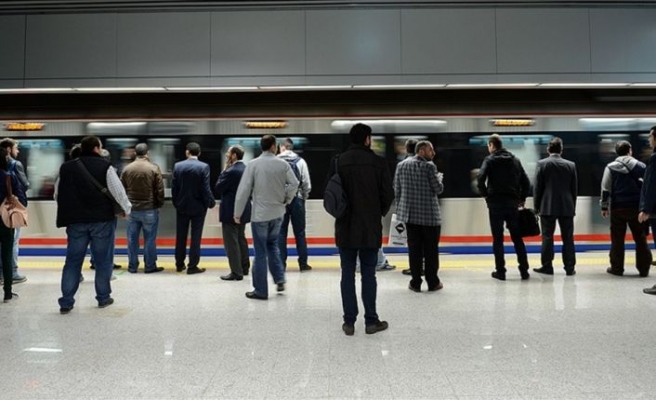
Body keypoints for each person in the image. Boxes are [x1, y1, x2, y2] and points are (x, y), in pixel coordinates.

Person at [56, 136, 131, 314]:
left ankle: (66, 302)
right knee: (103, 260)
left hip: (75, 221)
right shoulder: (105, 167)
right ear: (97, 148)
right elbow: (118, 192)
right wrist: (126, 210)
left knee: (72, 262)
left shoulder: (66, 167)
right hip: (101, 221)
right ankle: (103, 298)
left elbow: (58, 193)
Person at [332, 123, 394, 336]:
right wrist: (376, 212)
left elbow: (331, 193)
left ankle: (349, 322)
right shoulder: (378, 162)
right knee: (369, 274)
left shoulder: (339, 162)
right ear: (367, 139)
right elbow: (388, 194)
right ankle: (371, 321)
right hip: (369, 227)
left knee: (347, 274)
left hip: (345, 227)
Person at [235, 135, 298, 299]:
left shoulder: (253, 165)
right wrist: (286, 199)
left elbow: (243, 191)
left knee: (261, 252)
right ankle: (279, 279)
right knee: (273, 247)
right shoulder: (283, 164)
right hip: (278, 214)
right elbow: (295, 184)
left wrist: (237, 213)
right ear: (273, 147)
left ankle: (261, 291)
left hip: (260, 216)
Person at [477, 134, 531, 281]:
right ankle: (524, 271)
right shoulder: (515, 160)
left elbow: (480, 180)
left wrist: (486, 196)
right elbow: (526, 183)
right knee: (517, 238)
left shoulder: (489, 160)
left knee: (498, 239)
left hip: (495, 204)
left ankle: (501, 271)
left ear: (492, 145)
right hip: (512, 203)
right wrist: (521, 198)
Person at [394, 140, 444, 292]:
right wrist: (439, 179)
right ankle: (433, 282)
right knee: (431, 251)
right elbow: (438, 189)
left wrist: (400, 210)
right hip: (430, 218)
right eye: (431, 150)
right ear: (421, 151)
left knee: (414, 250)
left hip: (409, 217)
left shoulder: (401, 166)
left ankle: (415, 282)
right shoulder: (430, 167)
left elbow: (397, 190)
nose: (433, 153)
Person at [600, 140, 651, 277]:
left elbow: (606, 188)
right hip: (636, 208)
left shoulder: (610, 167)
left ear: (617, 152)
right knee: (640, 238)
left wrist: (604, 207)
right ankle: (643, 269)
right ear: (630, 150)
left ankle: (617, 268)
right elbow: (647, 187)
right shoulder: (641, 166)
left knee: (617, 239)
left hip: (618, 208)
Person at [533, 137, 578, 276]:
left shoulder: (542, 164)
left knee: (547, 237)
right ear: (561, 150)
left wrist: (536, 207)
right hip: (567, 206)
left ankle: (547, 266)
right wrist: (572, 207)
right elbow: (574, 189)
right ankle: (569, 268)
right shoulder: (571, 165)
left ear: (548, 149)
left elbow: (537, 188)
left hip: (547, 206)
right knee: (568, 238)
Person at [172, 142, 216, 275]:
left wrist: (176, 203)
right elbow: (205, 188)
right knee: (196, 237)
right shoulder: (204, 167)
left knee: (181, 236)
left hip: (182, 206)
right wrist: (210, 202)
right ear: (199, 153)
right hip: (198, 207)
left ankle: (179, 264)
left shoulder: (178, 166)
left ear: (187, 152)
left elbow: (175, 188)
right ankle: (192, 266)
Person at [121, 143, 165, 274]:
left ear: (135, 153)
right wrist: (159, 204)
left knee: (132, 239)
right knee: (150, 239)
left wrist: (124, 206)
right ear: (147, 153)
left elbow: (121, 190)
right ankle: (150, 266)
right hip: (150, 209)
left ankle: (132, 266)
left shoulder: (127, 169)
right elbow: (160, 189)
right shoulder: (154, 168)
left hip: (132, 210)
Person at [215, 145, 251, 281]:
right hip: (244, 209)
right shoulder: (247, 169)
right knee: (241, 238)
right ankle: (244, 267)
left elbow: (218, 187)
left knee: (231, 242)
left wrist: (225, 168)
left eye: (228, 153)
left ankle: (236, 272)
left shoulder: (231, 171)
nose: (226, 155)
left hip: (231, 210)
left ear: (234, 155)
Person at [277, 138, 313, 272]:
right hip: (297, 200)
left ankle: (281, 264)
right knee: (300, 233)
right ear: (291, 147)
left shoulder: (276, 161)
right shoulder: (301, 161)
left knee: (281, 233)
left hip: (281, 201)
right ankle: (303, 264)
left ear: (282, 147)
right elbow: (306, 183)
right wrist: (303, 197)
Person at [0, 138, 28, 284]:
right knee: (12, 241)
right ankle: (12, 272)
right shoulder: (15, 164)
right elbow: (25, 184)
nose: (18, 151)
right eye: (16, 148)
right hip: (10, 209)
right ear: (9, 150)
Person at [400, 138, 420, 276]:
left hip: (409, 209)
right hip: (425, 211)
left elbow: (397, 187)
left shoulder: (402, 165)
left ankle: (414, 268)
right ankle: (423, 266)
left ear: (407, 149)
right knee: (423, 241)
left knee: (412, 241)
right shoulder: (427, 163)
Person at [640, 127, 656, 294]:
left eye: (650, 136)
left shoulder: (655, 158)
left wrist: (645, 208)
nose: (649, 140)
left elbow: (651, 186)